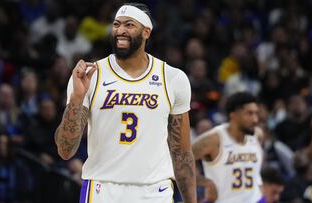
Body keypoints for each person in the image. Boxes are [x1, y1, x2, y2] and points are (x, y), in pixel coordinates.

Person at [54, 3, 196, 203]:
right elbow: (65, 150)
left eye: (129, 25)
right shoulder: (90, 75)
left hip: (155, 191)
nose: (120, 30)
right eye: (116, 24)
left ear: (146, 32)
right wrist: (77, 98)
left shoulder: (172, 78)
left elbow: (182, 152)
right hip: (103, 188)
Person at [192, 92, 264, 203]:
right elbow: (177, 162)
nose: (255, 119)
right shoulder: (214, 140)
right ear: (233, 115)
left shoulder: (257, 135)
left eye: (256, 113)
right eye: (249, 114)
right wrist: (205, 182)